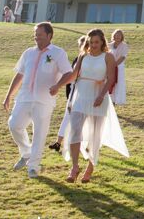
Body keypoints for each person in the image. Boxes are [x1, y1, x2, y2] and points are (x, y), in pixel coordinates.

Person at [3, 22, 73, 178]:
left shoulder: (58, 53)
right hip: (24, 97)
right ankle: (26, 152)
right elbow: (20, 75)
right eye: (35, 35)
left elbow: (69, 73)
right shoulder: (28, 53)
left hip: (44, 100)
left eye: (40, 35)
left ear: (49, 36)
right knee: (14, 125)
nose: (36, 37)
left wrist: (58, 85)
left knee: (39, 133)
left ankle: (34, 166)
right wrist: (9, 95)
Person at [60, 29, 129, 183]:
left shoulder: (108, 57)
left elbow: (110, 79)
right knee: (75, 130)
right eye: (91, 42)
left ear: (102, 42)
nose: (94, 45)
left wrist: (101, 95)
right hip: (81, 95)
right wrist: (58, 85)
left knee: (95, 135)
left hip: (98, 98)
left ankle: (90, 167)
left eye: (97, 42)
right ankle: (74, 167)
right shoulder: (83, 56)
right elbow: (73, 75)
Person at [49, 35, 86, 154]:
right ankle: (58, 142)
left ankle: (84, 144)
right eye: (81, 45)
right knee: (67, 116)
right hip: (73, 92)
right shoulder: (78, 58)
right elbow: (71, 76)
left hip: (84, 93)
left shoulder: (89, 60)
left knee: (82, 120)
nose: (83, 47)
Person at [109, 29, 129, 106]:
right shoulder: (109, 45)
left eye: (119, 35)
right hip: (109, 67)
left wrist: (114, 65)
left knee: (117, 83)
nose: (117, 37)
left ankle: (115, 100)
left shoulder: (124, 46)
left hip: (118, 67)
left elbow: (123, 57)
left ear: (121, 37)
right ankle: (110, 100)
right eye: (116, 35)